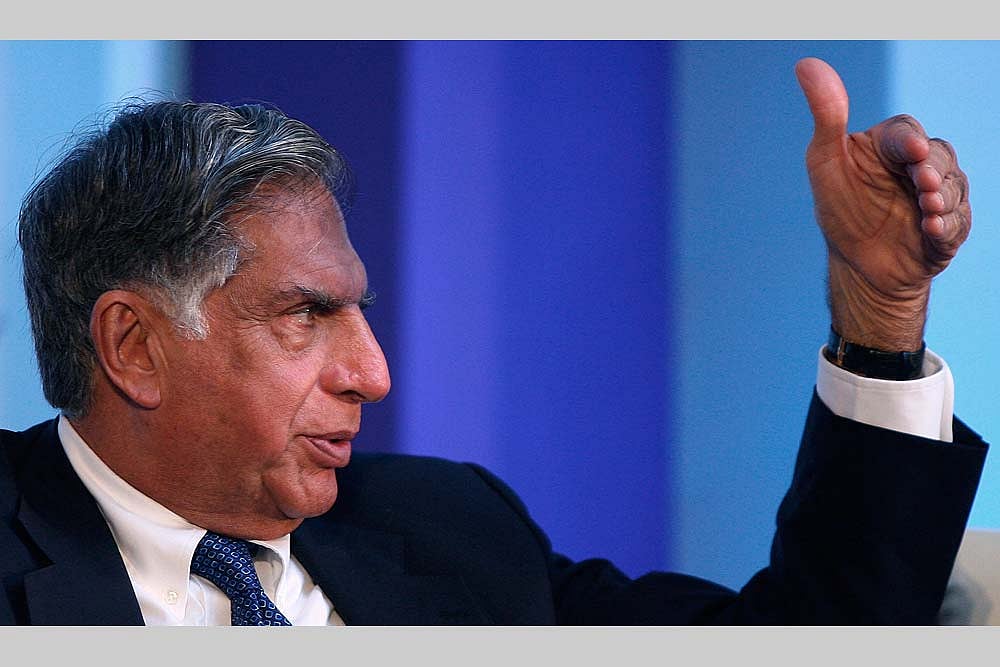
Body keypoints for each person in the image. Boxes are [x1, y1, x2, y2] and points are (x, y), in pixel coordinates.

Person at [0, 56, 986, 625]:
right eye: (305, 314)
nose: (373, 374)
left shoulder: (449, 526)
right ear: (134, 346)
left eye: (360, 312)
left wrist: (879, 314)